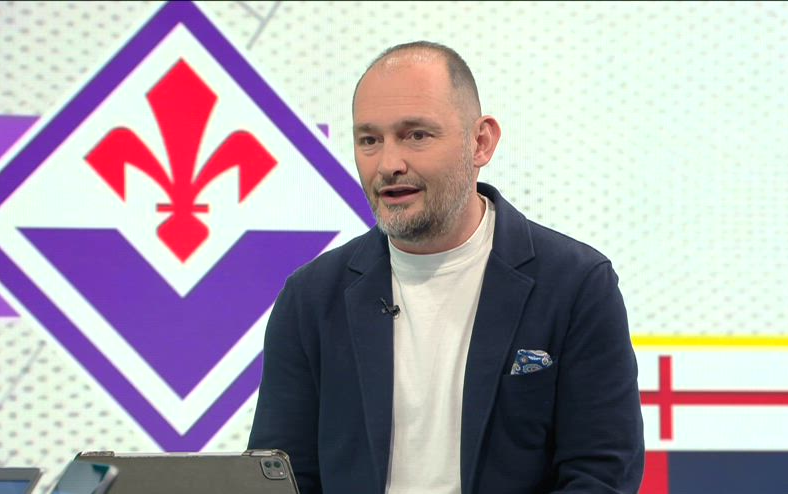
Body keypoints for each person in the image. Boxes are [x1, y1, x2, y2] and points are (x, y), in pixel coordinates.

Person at [249, 41, 644, 494]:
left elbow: (601, 475)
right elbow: (280, 477)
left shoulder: (576, 284)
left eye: (416, 135)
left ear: (481, 142)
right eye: (369, 140)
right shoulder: (310, 298)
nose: (389, 165)